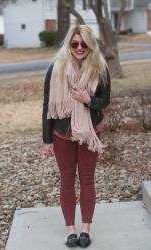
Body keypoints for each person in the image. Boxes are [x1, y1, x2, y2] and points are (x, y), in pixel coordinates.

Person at [42, 24, 111, 248]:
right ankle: (70, 230)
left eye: (84, 44)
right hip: (62, 133)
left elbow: (104, 101)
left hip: (90, 131)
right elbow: (47, 105)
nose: (79, 47)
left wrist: (88, 100)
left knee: (87, 180)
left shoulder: (100, 67)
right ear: (69, 45)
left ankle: (86, 229)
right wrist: (46, 139)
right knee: (67, 180)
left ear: (91, 45)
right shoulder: (56, 68)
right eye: (74, 43)